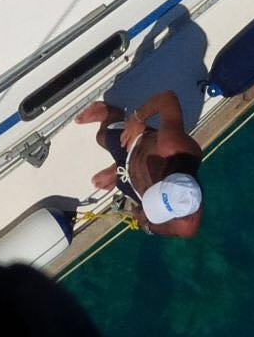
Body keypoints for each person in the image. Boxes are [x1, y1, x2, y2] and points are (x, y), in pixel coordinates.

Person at [75, 90, 203, 238]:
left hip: (137, 184)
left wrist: (145, 223)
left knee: (121, 184)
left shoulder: (183, 227)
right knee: (102, 137)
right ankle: (110, 112)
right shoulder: (173, 147)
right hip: (137, 148)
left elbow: (152, 226)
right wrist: (137, 118)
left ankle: (118, 170)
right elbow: (167, 99)